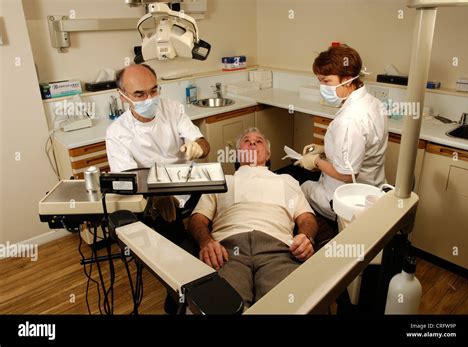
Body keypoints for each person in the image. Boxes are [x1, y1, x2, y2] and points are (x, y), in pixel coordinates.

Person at [188, 128, 318, 309]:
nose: (252, 143)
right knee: (220, 306)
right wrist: (205, 241)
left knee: (287, 306)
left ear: (268, 154)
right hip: (227, 252)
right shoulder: (222, 180)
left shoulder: (287, 180)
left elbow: (306, 217)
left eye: (259, 141)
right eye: (246, 141)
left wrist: (306, 237)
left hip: (278, 250)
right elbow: (198, 218)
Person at [105, 64, 210, 244]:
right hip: (152, 192)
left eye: (154, 91)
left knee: (218, 202)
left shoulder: (172, 109)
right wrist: (159, 194)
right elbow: (128, 180)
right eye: (139, 94)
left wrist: (198, 147)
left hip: (186, 181)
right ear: (122, 96)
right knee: (170, 229)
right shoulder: (117, 132)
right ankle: (180, 256)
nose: (149, 99)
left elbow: (203, 144)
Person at [295, 45, 388, 223]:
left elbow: (346, 174)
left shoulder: (349, 120)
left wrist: (315, 161)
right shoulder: (374, 103)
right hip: (373, 188)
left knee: (304, 187)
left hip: (348, 200)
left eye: (326, 81)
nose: (322, 87)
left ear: (346, 80)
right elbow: (365, 146)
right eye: (319, 81)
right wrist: (324, 149)